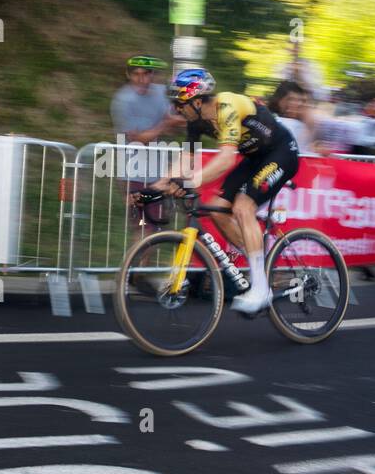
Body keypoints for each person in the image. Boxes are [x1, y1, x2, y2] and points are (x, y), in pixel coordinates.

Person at [147, 68, 300, 315]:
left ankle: (261, 290)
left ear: (197, 101)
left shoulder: (226, 106)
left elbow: (227, 159)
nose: (176, 109)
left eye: (179, 103)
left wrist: (191, 181)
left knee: (242, 207)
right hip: (254, 158)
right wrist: (161, 183)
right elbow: (186, 156)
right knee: (218, 210)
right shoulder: (195, 121)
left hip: (281, 152)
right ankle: (258, 263)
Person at [111, 56, 180, 229]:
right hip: (131, 172)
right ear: (128, 75)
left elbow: (178, 120)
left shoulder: (162, 92)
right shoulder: (123, 100)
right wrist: (165, 124)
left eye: (146, 74)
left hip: (157, 172)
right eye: (136, 74)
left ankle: (139, 256)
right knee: (142, 226)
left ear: (153, 75)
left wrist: (174, 122)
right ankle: (136, 256)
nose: (141, 79)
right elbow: (138, 138)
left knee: (154, 226)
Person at [267, 80, 314, 151]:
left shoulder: (301, 124)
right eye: (291, 99)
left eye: (301, 100)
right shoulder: (288, 124)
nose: (299, 104)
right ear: (279, 101)